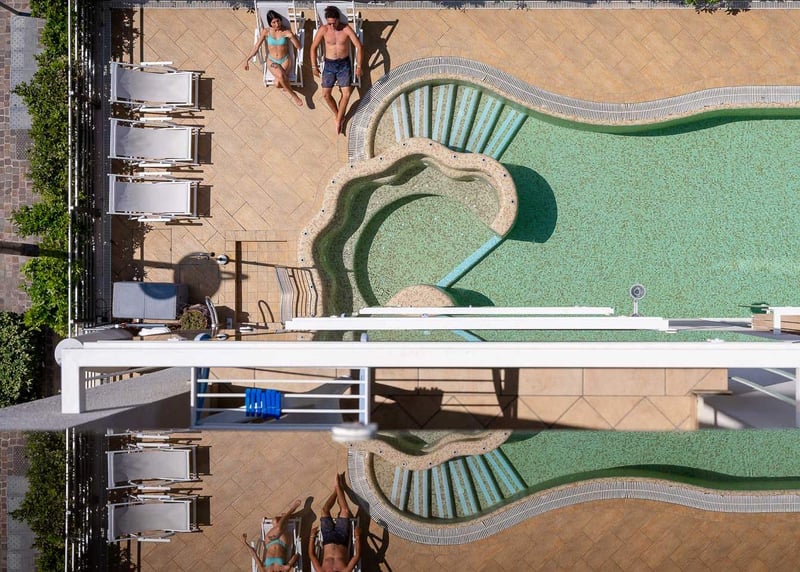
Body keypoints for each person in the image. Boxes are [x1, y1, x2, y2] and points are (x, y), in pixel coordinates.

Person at [309, 5, 363, 134]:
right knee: (325, 95)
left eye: (334, 23)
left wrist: (359, 66)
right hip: (329, 65)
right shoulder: (324, 29)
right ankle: (338, 114)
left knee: (347, 94)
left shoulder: (346, 29)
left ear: (338, 20)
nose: (332, 26)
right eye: (329, 23)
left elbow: (359, 47)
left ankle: (338, 120)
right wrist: (313, 66)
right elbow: (313, 48)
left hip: (344, 64)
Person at [243, 10, 303, 107]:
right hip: (272, 61)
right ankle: (293, 95)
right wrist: (247, 60)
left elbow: (298, 46)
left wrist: (292, 36)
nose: (277, 24)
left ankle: (287, 87)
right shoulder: (266, 32)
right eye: (273, 22)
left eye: (278, 21)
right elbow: (256, 46)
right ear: (269, 23)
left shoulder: (286, 31)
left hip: (284, 60)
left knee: (277, 83)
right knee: (280, 77)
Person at [309, 473, 361, 572]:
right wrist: (358, 537)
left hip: (327, 537)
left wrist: (312, 536)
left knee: (324, 510)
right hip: (342, 537)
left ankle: (336, 490)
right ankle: (338, 487)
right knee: (345, 511)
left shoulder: (321, 571)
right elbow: (357, 556)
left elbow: (312, 555)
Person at [242, 498, 302, 572]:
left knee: (277, 524)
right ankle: (289, 512)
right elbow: (297, 555)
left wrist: (245, 543)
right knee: (276, 523)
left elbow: (254, 555)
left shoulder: (264, 570)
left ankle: (287, 515)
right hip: (283, 542)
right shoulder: (283, 570)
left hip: (269, 542)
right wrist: (289, 565)